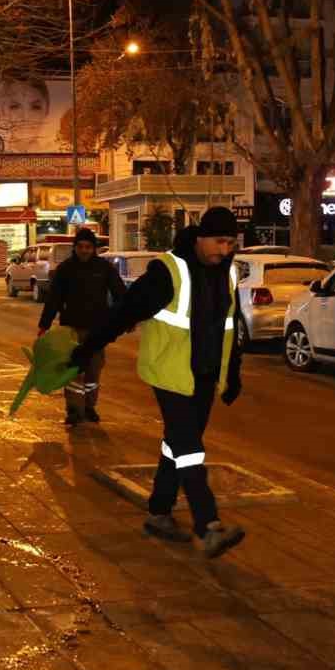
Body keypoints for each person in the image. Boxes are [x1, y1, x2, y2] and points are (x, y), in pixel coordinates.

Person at [70, 207, 246, 558]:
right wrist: (87, 348)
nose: (224, 250)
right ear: (200, 237)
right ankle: (208, 525)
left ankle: (159, 512)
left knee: (177, 445)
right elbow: (125, 312)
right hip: (170, 373)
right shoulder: (168, 271)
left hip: (205, 375)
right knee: (190, 448)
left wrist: (232, 374)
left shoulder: (228, 272)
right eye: (219, 242)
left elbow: (232, 325)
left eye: (230, 243)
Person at [38, 228, 125, 427]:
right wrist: (44, 324)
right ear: (75, 248)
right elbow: (54, 299)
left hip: (98, 330)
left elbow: (120, 294)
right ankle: (74, 410)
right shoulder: (65, 269)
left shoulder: (104, 268)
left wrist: (125, 319)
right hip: (71, 329)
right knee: (72, 371)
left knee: (93, 370)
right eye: (80, 247)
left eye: (88, 247)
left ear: (94, 248)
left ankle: (89, 407)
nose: (84, 250)